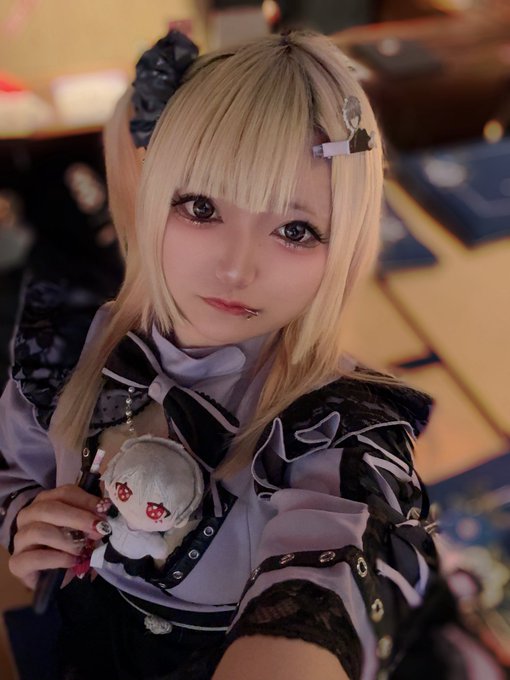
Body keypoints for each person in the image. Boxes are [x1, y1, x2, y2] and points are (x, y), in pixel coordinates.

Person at [0, 30, 503, 680]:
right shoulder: (69, 345)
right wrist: (25, 518)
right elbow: (16, 466)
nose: (237, 268)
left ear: (344, 246)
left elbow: (327, 582)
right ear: (152, 193)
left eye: (295, 230)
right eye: (201, 206)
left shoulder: (336, 434)